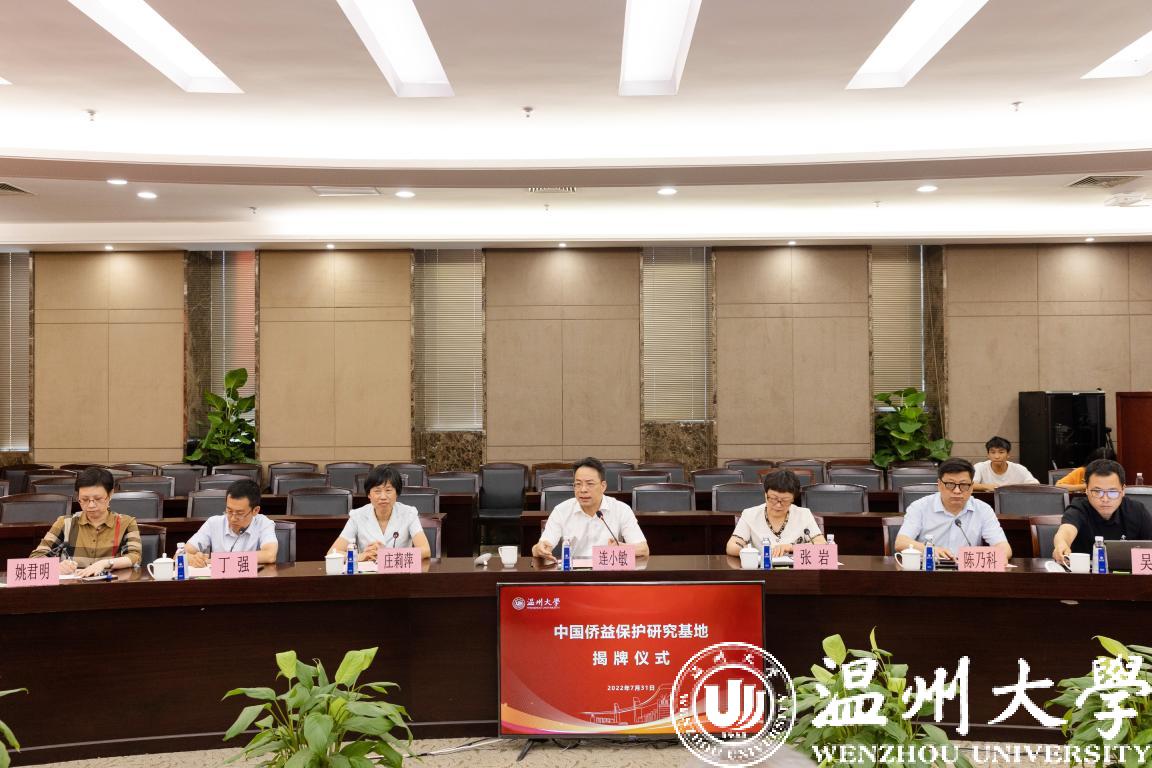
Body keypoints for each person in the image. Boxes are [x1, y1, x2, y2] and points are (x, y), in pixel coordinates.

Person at [30, 467, 142, 575]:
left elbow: (134, 557)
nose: (91, 505)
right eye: (84, 499)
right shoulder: (65, 523)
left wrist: (105, 563)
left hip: (111, 585)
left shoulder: (126, 523)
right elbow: (36, 557)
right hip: (72, 585)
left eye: (98, 499)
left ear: (110, 494)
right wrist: (56, 566)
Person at [895, 457, 1012, 561]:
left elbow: (1004, 548)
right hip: (930, 570)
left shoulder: (983, 509)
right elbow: (901, 542)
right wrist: (931, 550)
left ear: (971, 487)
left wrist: (1000, 557)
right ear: (939, 485)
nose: (957, 491)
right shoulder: (920, 507)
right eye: (950, 484)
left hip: (967, 572)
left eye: (964, 485)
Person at [533, 457, 648, 561]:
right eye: (578, 484)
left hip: (608, 573)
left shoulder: (621, 509)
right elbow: (542, 546)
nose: (583, 490)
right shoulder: (561, 511)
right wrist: (539, 549)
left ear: (603, 486)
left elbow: (643, 550)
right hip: (574, 574)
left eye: (590, 484)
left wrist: (623, 548)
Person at [1052, 458, 1152, 562]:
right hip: (1086, 572)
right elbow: (1066, 531)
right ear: (1086, 490)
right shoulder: (1079, 508)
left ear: (1123, 490)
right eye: (1097, 491)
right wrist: (1061, 544)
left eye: (1112, 492)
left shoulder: (1137, 511)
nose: (1105, 499)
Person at [328, 464, 431, 560]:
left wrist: (386, 554)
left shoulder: (409, 513)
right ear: (369, 495)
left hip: (399, 571)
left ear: (397, 493)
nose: (383, 497)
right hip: (368, 571)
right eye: (377, 491)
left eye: (388, 490)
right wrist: (360, 556)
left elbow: (425, 550)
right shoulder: (357, 516)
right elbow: (332, 552)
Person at [726, 470, 825, 557]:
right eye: (773, 498)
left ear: (793, 499)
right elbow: (731, 546)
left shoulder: (804, 514)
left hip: (795, 570)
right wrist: (753, 553)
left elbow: (822, 545)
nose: (778, 505)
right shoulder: (750, 514)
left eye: (785, 500)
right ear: (765, 495)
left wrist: (791, 547)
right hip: (761, 567)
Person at [185, 479, 278, 566]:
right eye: (229, 511)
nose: (233, 519)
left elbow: (270, 555)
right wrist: (193, 559)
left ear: (255, 510)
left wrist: (217, 561)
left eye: (239, 513)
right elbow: (181, 554)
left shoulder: (264, 523)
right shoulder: (213, 523)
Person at [971, 436, 1038, 491]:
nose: (997, 456)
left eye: (1001, 452)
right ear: (988, 455)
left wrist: (1015, 489)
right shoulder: (979, 467)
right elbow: (969, 485)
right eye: (993, 452)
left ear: (1008, 454)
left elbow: (1035, 485)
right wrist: (987, 487)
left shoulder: (1019, 469)